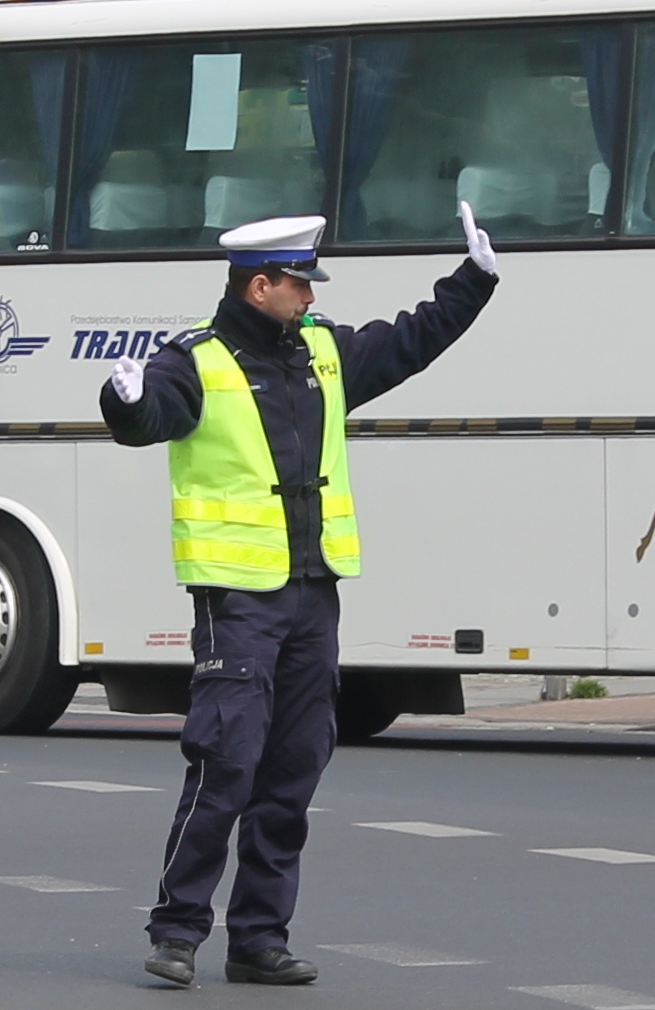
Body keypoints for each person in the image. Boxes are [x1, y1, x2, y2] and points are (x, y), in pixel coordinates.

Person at [100, 202, 498, 987]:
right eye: (297, 284)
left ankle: (257, 939)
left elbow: (407, 342)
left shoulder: (320, 353)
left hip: (313, 596)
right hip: (238, 599)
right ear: (258, 287)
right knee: (226, 763)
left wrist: (473, 282)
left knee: (290, 774)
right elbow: (148, 420)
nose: (310, 297)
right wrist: (123, 402)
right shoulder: (196, 363)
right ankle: (176, 931)